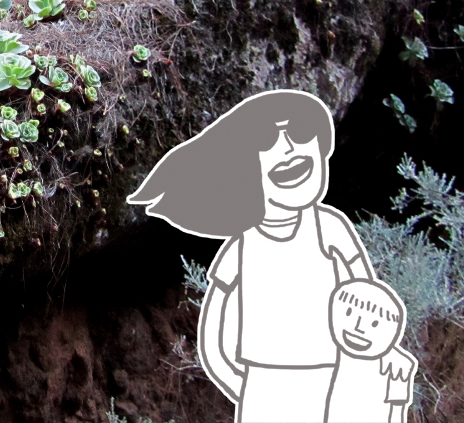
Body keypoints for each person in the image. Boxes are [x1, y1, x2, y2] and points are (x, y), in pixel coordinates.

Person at [127, 90, 385, 422]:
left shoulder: (331, 229)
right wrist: (244, 384)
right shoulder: (243, 245)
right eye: (266, 140)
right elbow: (216, 335)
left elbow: (366, 294)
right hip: (265, 386)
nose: (289, 148)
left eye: (302, 131)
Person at [325, 279, 415, 423]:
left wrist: (400, 380)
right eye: (349, 313)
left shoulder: (394, 366)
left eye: (374, 324)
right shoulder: (334, 348)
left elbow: (397, 407)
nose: (358, 327)